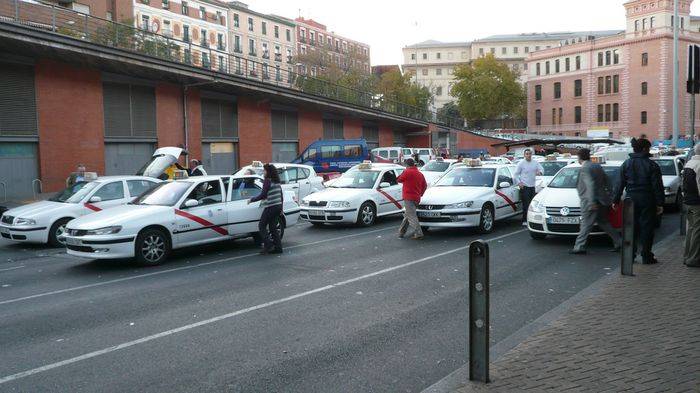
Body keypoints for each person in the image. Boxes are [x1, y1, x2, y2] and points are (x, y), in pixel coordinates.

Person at [613, 138, 665, 264]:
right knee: (647, 228)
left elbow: (619, 184)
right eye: (649, 148)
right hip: (647, 199)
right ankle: (647, 256)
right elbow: (657, 186)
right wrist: (660, 203)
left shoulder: (626, 164)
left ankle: (630, 255)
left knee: (630, 228)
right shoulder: (652, 165)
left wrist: (615, 200)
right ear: (645, 149)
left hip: (630, 199)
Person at [570, 149, 621, 254]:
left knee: (586, 224)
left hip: (590, 201)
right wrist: (610, 195)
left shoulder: (585, 168)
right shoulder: (596, 166)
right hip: (602, 200)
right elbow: (607, 181)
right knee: (604, 222)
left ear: (579, 157)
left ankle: (579, 246)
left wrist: (591, 202)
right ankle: (620, 242)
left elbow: (590, 184)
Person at [248, 163, 284, 254]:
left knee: (262, 225)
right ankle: (278, 248)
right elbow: (281, 195)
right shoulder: (276, 181)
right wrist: (281, 208)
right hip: (278, 206)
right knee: (272, 227)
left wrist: (252, 199)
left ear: (268, 172)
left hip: (270, 206)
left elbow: (263, 195)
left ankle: (268, 245)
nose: (263, 172)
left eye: (264, 170)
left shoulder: (267, 181)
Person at [397, 158, 428, 240]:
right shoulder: (420, 174)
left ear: (407, 165)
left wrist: (403, 172)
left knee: (411, 216)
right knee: (408, 215)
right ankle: (401, 232)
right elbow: (425, 185)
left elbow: (399, 179)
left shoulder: (407, 172)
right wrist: (420, 193)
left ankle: (418, 233)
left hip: (408, 197)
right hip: (417, 198)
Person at [514, 149, 544, 225]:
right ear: (524, 155)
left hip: (532, 186)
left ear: (531, 155)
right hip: (525, 186)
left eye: (530, 154)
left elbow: (542, 169)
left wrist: (540, 172)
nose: (528, 155)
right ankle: (525, 220)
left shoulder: (535, 163)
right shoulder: (521, 163)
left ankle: (531, 219)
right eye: (527, 154)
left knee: (532, 204)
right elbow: (515, 175)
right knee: (526, 204)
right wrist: (519, 182)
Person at [682, 143, 700, 267]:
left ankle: (687, 256)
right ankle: (693, 258)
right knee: (697, 230)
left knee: (692, 230)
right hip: (697, 203)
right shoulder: (699, 165)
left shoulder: (689, 164)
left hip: (688, 201)